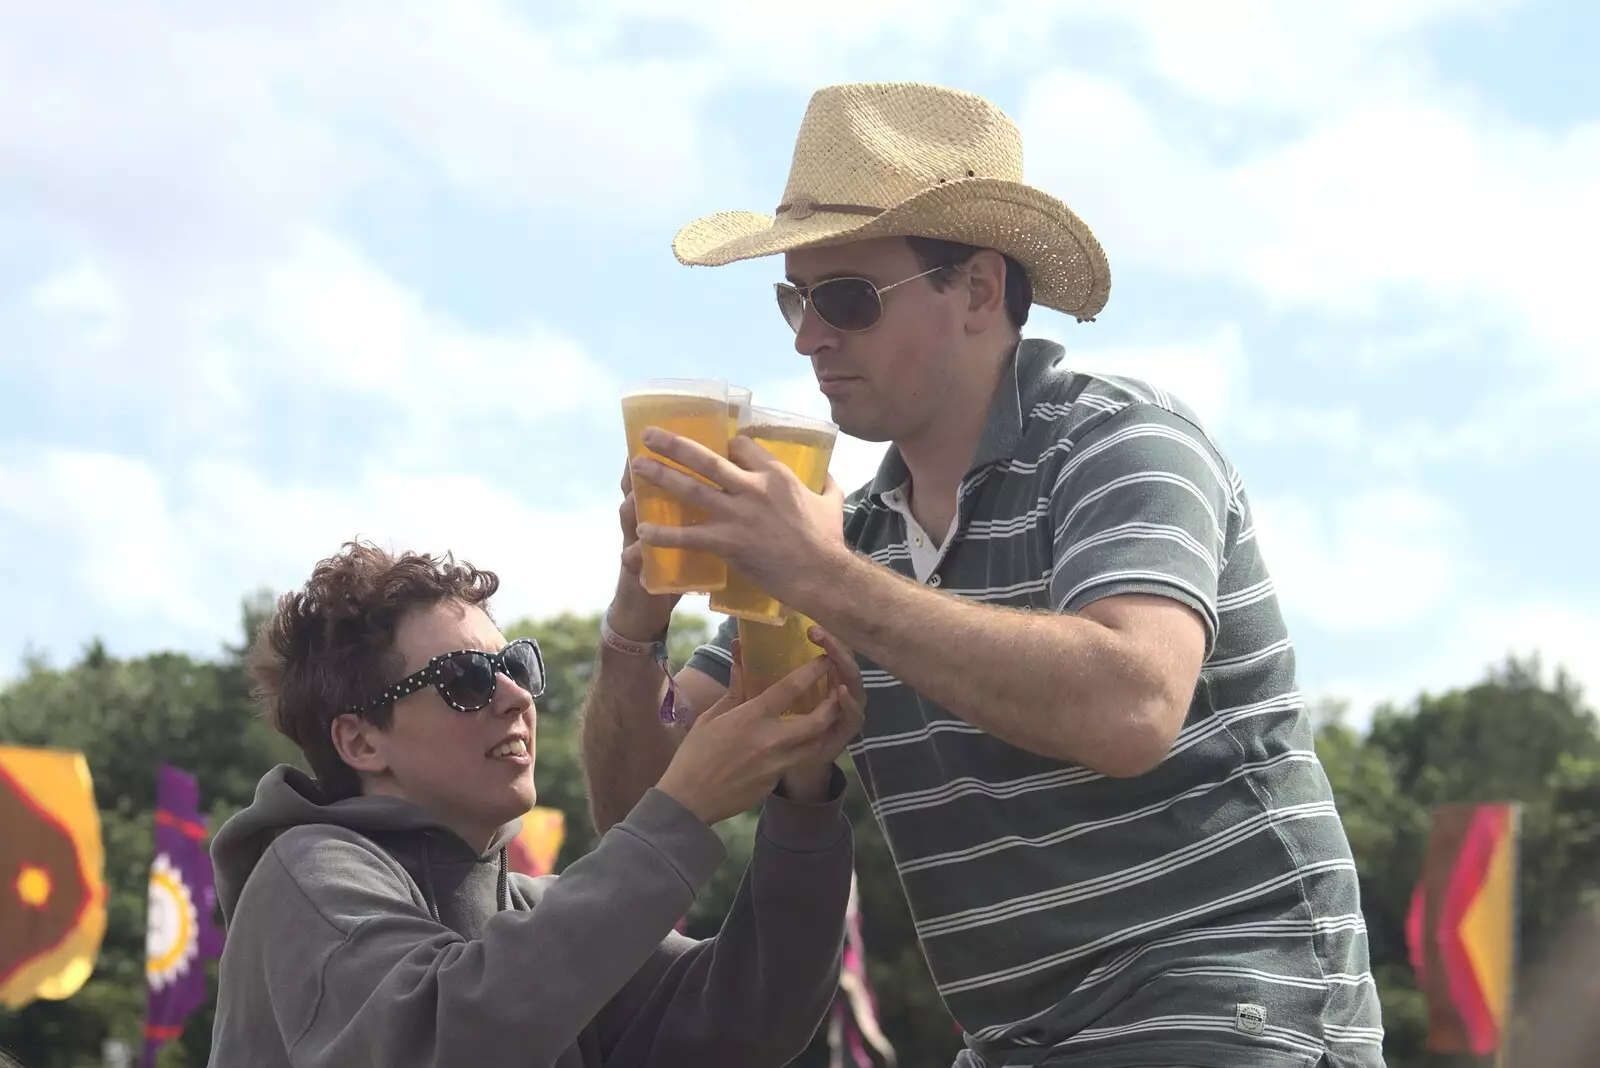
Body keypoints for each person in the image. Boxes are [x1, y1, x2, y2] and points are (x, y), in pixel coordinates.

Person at [582, 82, 1386, 1068]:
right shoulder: (843, 535)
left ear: (975, 290)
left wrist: (822, 577)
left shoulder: (1117, 439)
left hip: (1228, 1007)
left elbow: (1130, 705)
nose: (805, 337)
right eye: (794, 297)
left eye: (842, 299)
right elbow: (640, 812)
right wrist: (634, 627)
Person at [207, 539, 863, 1068]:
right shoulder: (304, 873)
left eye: (515, 666)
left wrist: (803, 791)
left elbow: (753, 1015)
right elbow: (444, 1042)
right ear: (360, 740)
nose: (517, 697)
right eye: (464, 680)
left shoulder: (531, 915)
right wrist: (679, 811)